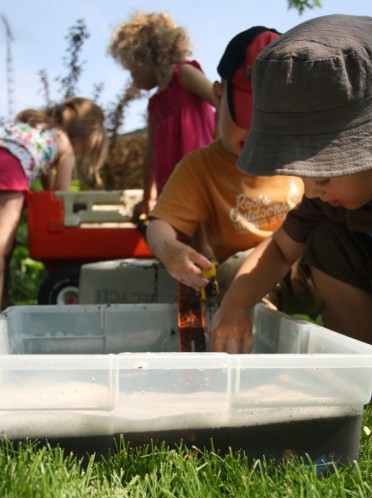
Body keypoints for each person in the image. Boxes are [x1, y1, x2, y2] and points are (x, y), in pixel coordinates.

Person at [210, 14, 372, 353]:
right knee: (324, 238)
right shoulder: (326, 201)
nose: (311, 191)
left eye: (324, 174)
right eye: (301, 174)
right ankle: (359, 361)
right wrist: (235, 306)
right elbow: (281, 249)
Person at [146, 27, 304, 299]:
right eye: (249, 115)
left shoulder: (302, 153)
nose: (258, 133)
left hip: (306, 266)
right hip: (247, 280)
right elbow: (160, 226)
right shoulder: (200, 167)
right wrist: (170, 249)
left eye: (271, 119)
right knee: (235, 272)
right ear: (218, 96)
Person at [109, 11, 216, 223]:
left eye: (132, 71)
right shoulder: (155, 104)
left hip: (199, 171)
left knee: (202, 223)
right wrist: (148, 196)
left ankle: (205, 256)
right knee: (178, 227)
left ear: (144, 57)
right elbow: (150, 154)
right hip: (172, 182)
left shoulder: (184, 75)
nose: (132, 79)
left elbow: (220, 99)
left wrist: (221, 144)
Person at [0, 96, 107, 309]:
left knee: (7, 249)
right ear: (84, 138)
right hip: (11, 176)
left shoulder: (34, 125)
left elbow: (45, 181)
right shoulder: (65, 145)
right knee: (1, 248)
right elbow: (61, 195)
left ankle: (4, 303)